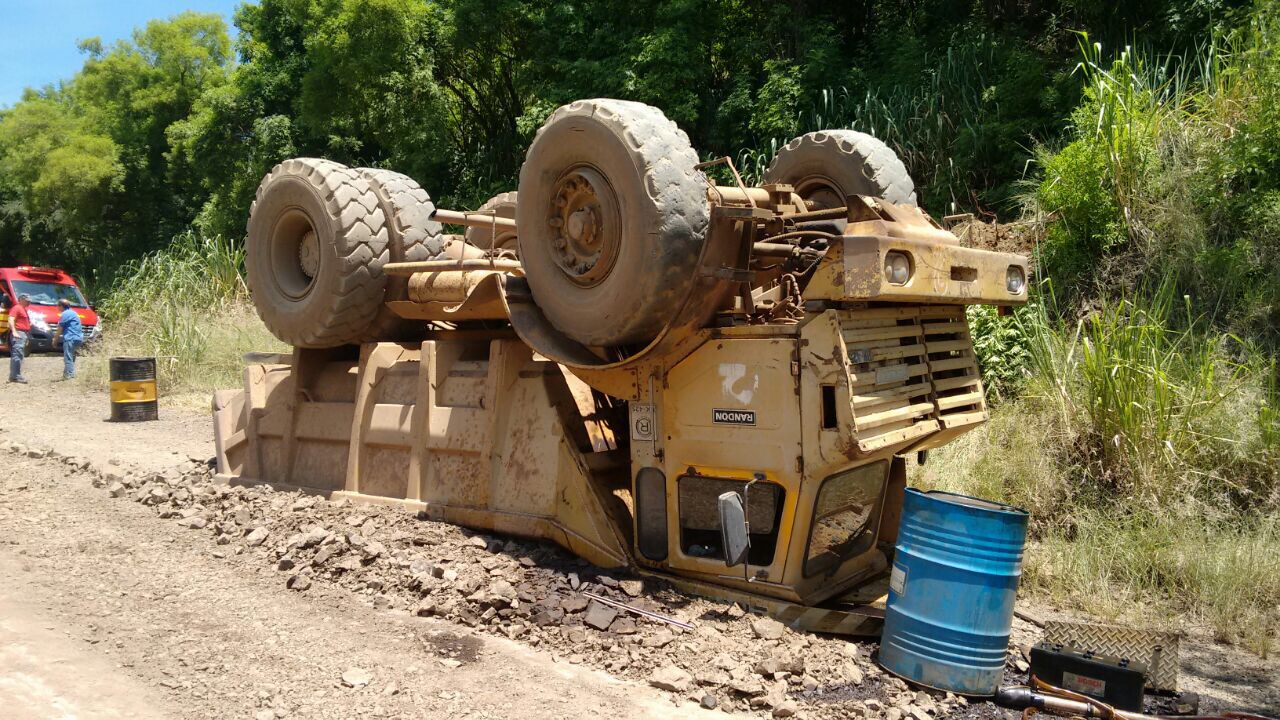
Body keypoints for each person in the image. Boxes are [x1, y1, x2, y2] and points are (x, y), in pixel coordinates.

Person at [57, 298, 84, 380]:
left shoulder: (65, 314)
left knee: (68, 357)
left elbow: (60, 329)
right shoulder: (74, 313)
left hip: (70, 338)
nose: (57, 307)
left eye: (58, 305)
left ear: (61, 306)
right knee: (71, 357)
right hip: (78, 338)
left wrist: (55, 339)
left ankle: (70, 375)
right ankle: (66, 375)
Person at [8, 293, 31, 384]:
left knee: (19, 354)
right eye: (27, 301)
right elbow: (11, 319)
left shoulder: (23, 309)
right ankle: (15, 376)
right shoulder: (17, 308)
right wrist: (14, 331)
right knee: (17, 354)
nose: (29, 302)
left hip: (23, 333)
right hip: (19, 333)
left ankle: (14, 375)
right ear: (21, 300)